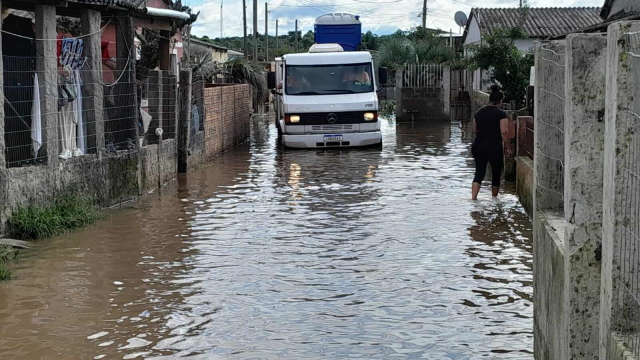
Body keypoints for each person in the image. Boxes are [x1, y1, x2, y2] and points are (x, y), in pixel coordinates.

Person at [471, 85, 512, 200]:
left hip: (478, 146)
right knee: (496, 173)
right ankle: (494, 200)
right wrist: (508, 147)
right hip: (494, 147)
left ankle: (473, 198)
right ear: (500, 101)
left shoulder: (478, 112)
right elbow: (504, 132)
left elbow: (474, 130)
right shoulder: (501, 114)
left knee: (479, 172)